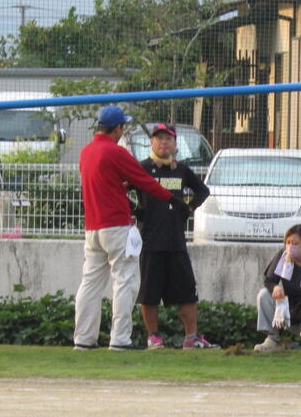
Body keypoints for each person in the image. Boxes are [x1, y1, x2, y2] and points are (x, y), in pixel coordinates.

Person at [74, 106, 186, 351]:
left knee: (90, 283)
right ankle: (120, 339)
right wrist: (171, 199)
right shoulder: (116, 152)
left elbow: (107, 184)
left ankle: (83, 338)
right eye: (122, 127)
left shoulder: (86, 152)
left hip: (92, 227)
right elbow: (144, 180)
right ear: (117, 128)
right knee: (125, 281)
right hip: (116, 226)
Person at [134, 123, 218, 350]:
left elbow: (203, 191)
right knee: (149, 294)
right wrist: (135, 210)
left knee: (187, 292)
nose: (164, 143)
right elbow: (121, 188)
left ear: (175, 143)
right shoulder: (142, 168)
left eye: (168, 139)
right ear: (151, 142)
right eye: (159, 138)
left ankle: (191, 337)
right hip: (150, 242)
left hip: (176, 242)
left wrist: (188, 208)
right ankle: (154, 337)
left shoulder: (181, 169)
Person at [254, 224, 301, 353]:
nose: (290, 247)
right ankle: (273, 340)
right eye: (288, 242)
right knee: (264, 294)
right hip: (290, 309)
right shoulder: (283, 257)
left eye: (295, 243)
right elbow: (269, 280)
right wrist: (275, 287)